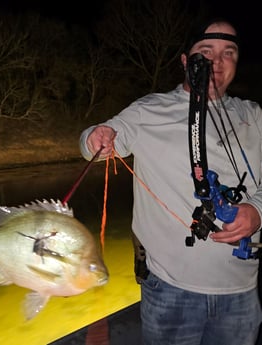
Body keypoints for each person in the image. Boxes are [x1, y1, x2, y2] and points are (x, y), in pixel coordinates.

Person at [79, 18, 262, 345]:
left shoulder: (255, 115)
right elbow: (96, 142)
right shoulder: (148, 111)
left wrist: (258, 211)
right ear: (184, 61)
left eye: (228, 52)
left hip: (242, 294)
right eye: (206, 51)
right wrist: (94, 137)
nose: (216, 62)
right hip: (170, 292)